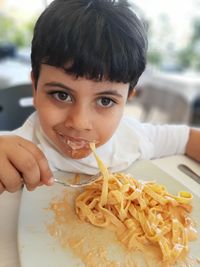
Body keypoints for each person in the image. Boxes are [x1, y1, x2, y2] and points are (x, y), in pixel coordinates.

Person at [0, 0, 199, 195]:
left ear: (127, 98)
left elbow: (187, 138)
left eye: (105, 101)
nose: (79, 123)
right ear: (35, 87)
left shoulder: (131, 139)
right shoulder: (17, 154)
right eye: (62, 95)